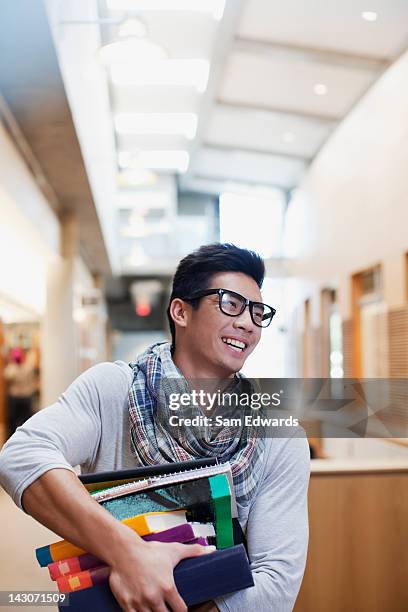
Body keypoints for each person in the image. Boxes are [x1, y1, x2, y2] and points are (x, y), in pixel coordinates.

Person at [0, 243, 310, 612]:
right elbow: (21, 455)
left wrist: (164, 599)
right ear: (180, 311)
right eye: (230, 303)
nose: (247, 323)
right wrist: (128, 553)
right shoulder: (112, 390)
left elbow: (276, 584)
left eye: (258, 312)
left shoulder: (279, 436)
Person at [4, 347, 37, 438]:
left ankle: (14, 439)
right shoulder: (28, 367)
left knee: (16, 421)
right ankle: (24, 438)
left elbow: (7, 376)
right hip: (24, 397)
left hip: (17, 398)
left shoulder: (11, 368)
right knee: (22, 421)